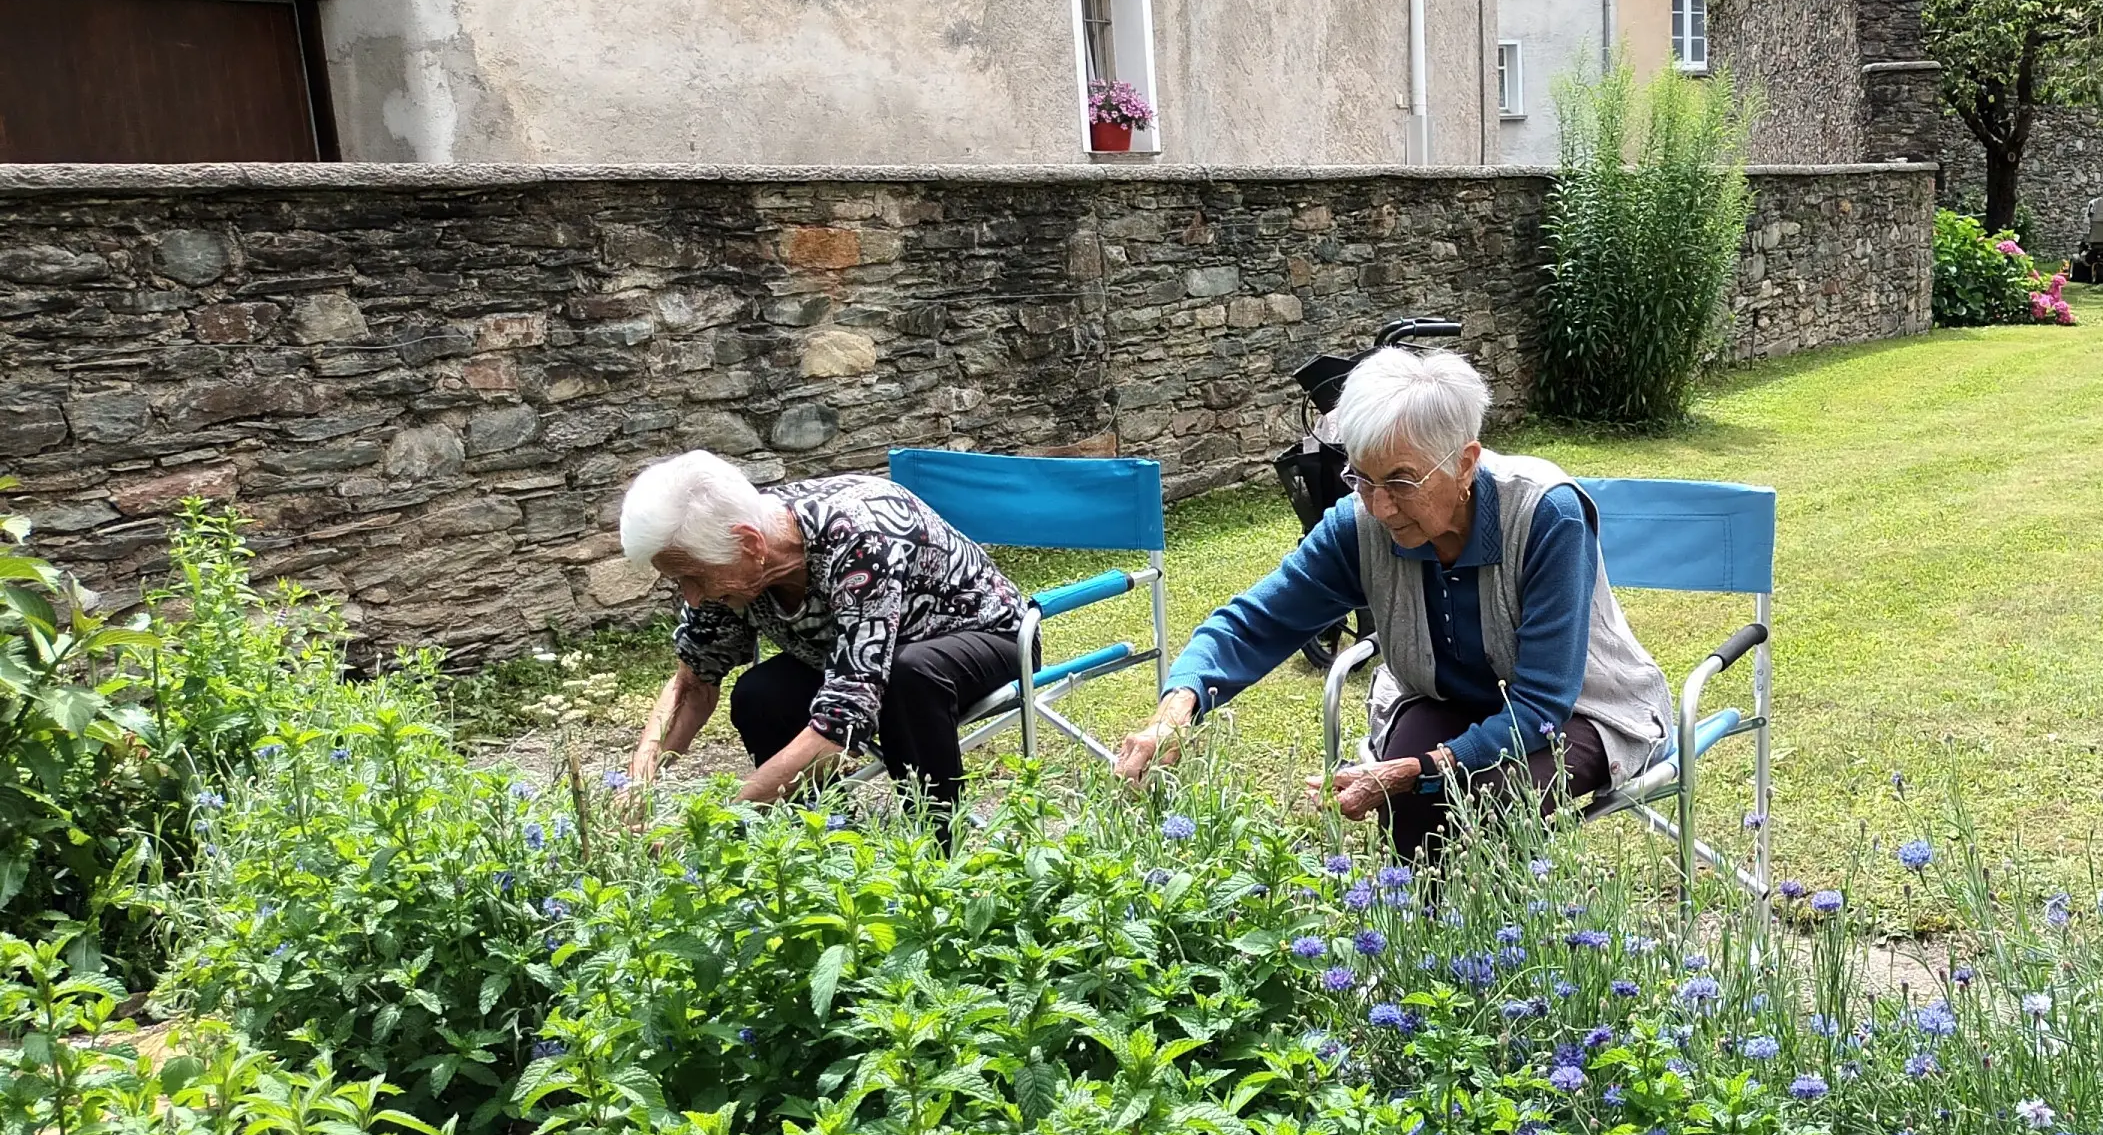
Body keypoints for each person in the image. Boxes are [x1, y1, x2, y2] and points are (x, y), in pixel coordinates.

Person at [1115, 347, 1673, 859]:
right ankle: (1420, 945)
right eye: (1360, 477)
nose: (1379, 506)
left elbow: (1541, 703)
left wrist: (1417, 768)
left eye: (1402, 481)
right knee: (1413, 801)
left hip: (1579, 711)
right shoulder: (1359, 525)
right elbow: (1253, 623)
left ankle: (1502, 946)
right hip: (1445, 696)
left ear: (1466, 463)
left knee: (1488, 796)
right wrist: (1174, 715)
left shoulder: (1547, 516)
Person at [617, 451, 1026, 817]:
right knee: (759, 696)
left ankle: (937, 851)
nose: (692, 595)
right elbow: (693, 684)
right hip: (854, 658)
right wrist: (640, 782)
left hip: (985, 636)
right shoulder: (728, 555)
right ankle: (821, 842)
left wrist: (718, 822)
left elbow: (843, 723)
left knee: (907, 676)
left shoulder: (860, 536)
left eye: (693, 576)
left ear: (750, 543)